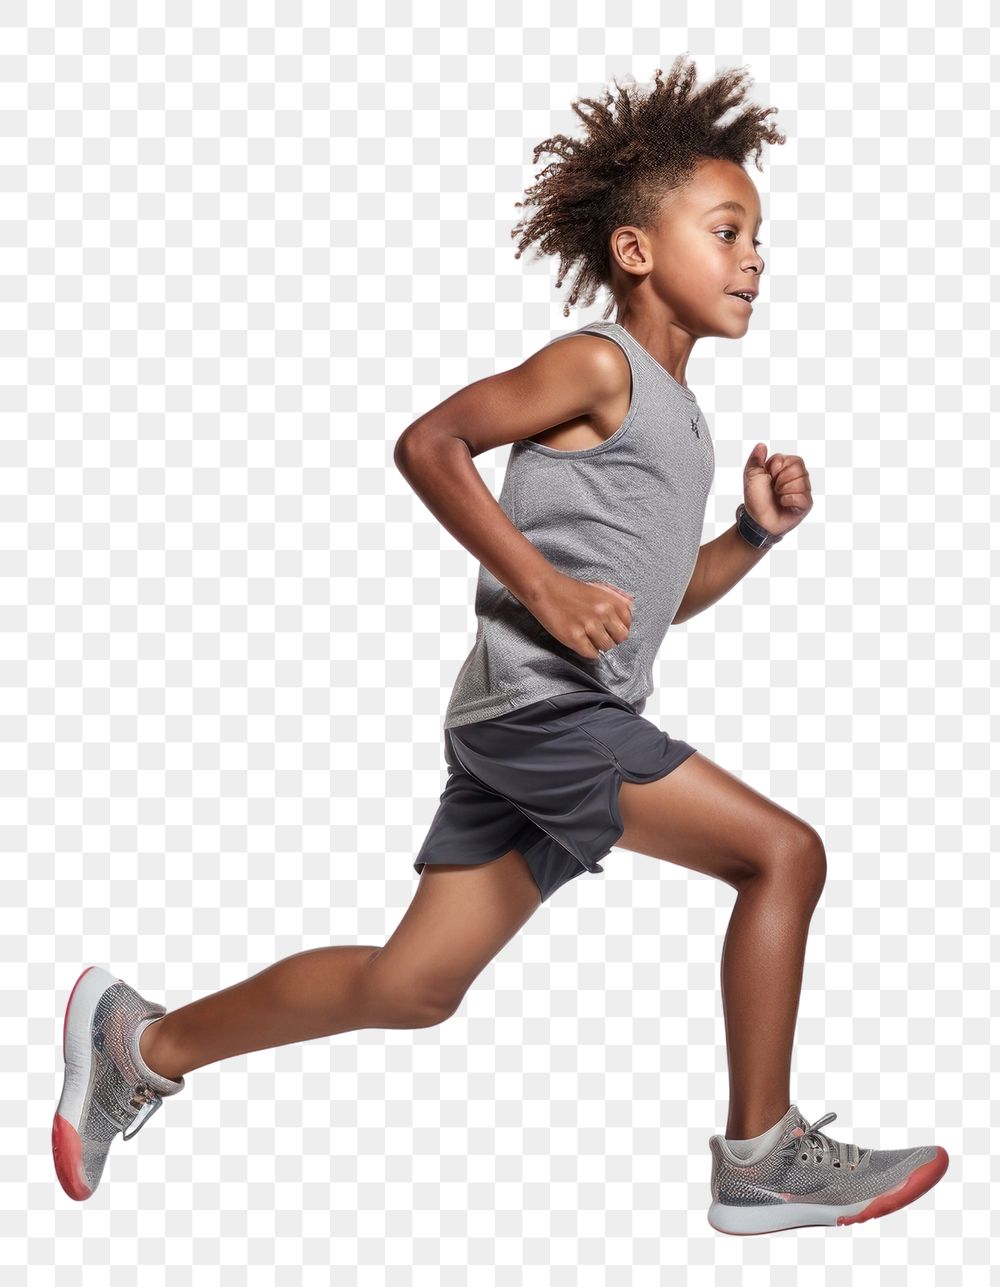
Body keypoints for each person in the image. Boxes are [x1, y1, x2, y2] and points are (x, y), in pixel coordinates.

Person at [52, 57, 947, 1231]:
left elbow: (649, 601)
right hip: (546, 714)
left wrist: (750, 535)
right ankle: (760, 1156)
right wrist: (537, 583)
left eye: (759, 236)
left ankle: (140, 1042)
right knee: (781, 855)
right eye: (725, 230)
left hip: (523, 722)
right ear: (637, 251)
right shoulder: (595, 365)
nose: (754, 257)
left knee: (411, 986)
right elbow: (431, 442)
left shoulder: (679, 416)